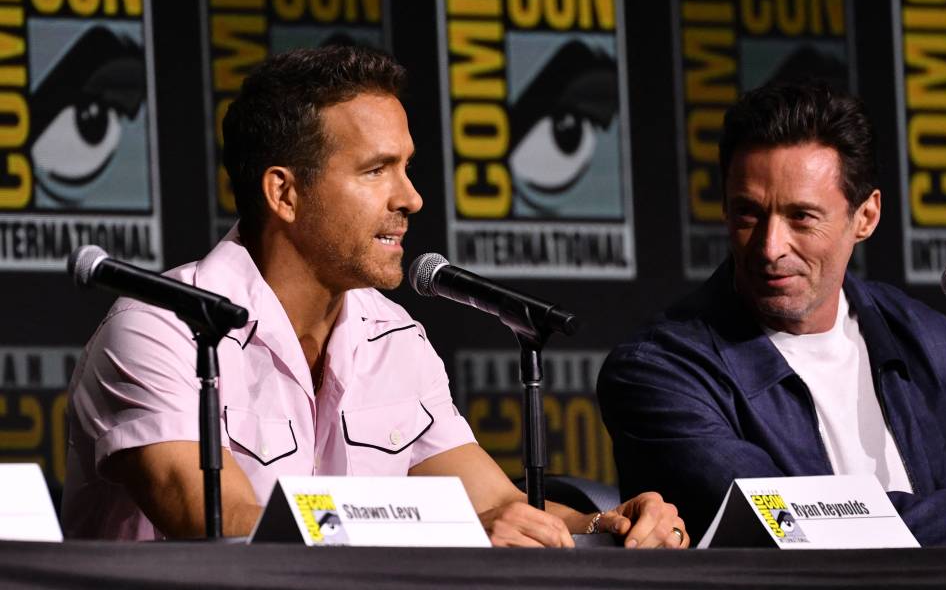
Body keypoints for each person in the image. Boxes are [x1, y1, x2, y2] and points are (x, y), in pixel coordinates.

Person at [61, 45, 687, 548]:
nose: (411, 198)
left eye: (406, 167)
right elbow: (217, 521)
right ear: (285, 193)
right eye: (375, 170)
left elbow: (496, 506)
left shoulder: (394, 337)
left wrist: (608, 527)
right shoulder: (159, 328)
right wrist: (453, 534)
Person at [597, 80, 946, 546]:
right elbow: (792, 524)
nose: (770, 248)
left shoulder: (930, 342)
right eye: (748, 214)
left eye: (802, 218)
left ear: (865, 217)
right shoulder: (658, 370)